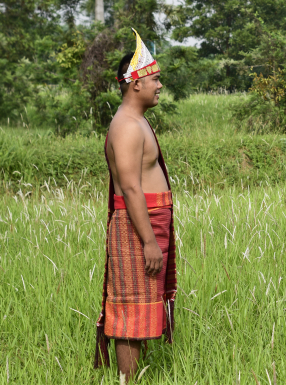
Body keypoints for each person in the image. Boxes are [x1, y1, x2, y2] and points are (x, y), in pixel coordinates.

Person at [94, 29, 177, 380]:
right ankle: (127, 380)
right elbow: (129, 186)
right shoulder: (127, 126)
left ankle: (134, 375)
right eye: (155, 79)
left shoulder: (136, 121)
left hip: (149, 221)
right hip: (136, 227)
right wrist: (147, 241)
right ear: (135, 84)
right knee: (132, 307)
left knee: (143, 303)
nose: (160, 85)